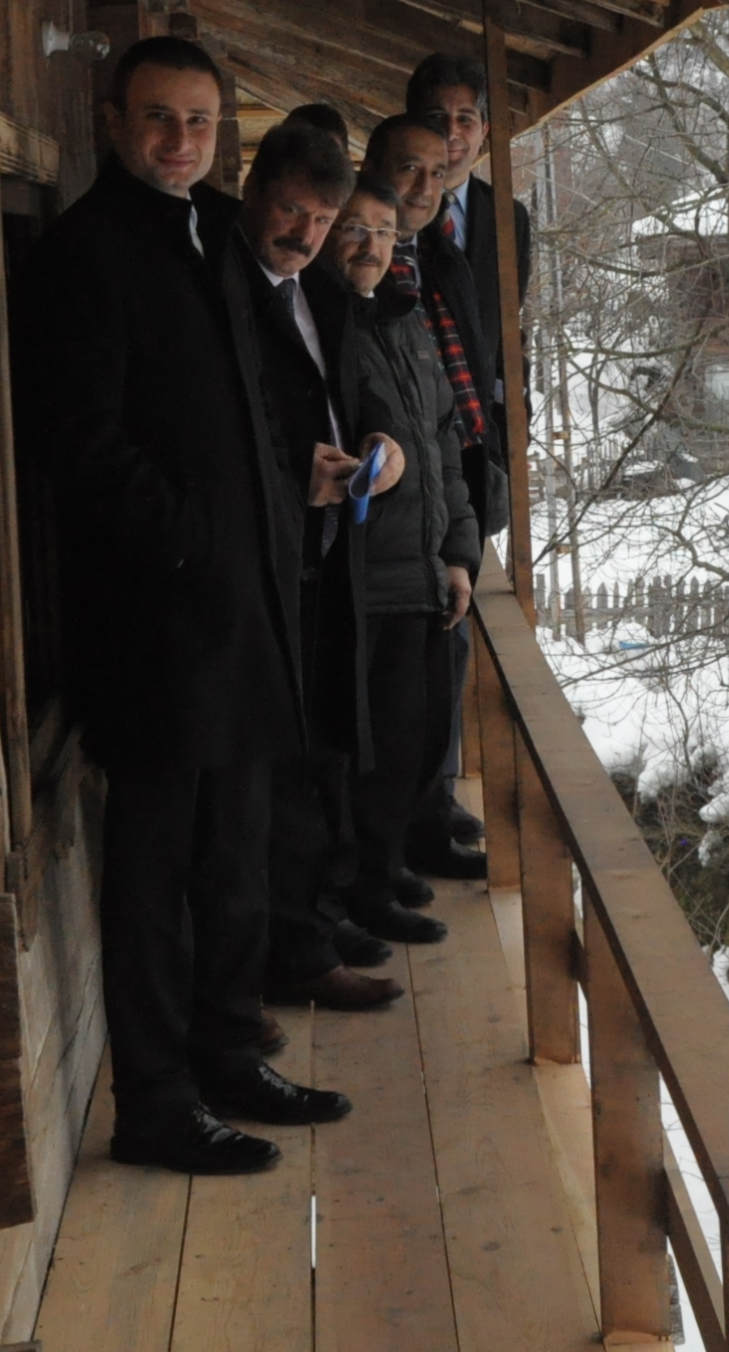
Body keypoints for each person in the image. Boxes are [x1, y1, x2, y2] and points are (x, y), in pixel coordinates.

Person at [27, 38, 351, 1177]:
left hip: (244, 607)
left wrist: (281, 484)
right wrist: (198, 539)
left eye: (201, 121)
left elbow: (246, 402)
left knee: (234, 853)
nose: (179, 141)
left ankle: (227, 1052)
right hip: (157, 624)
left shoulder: (214, 233)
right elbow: (86, 445)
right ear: (115, 120)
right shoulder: (86, 251)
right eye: (159, 119)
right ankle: (157, 1104)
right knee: (155, 873)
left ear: (226, 131)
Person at [225, 114, 407, 1012]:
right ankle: (289, 953)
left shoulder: (322, 295)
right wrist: (291, 478)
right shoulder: (224, 290)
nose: (304, 235)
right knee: (282, 776)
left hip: (330, 555)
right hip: (259, 565)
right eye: (291, 211)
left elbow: (361, 394)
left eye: (323, 221)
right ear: (255, 193)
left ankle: (313, 921)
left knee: (327, 756)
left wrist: (384, 444)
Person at [324, 164, 478, 945]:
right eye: (354, 227)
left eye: (383, 232)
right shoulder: (325, 325)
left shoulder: (407, 322)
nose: (370, 246)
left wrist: (456, 555)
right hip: (358, 577)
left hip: (418, 570)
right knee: (369, 748)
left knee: (412, 735)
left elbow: (445, 446)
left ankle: (382, 870)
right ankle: (361, 885)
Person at [398, 54, 535, 878]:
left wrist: (504, 450)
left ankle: (439, 787)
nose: (452, 136)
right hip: (404, 454)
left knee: (456, 629)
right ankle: (413, 801)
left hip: (474, 460)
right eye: (437, 118)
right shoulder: (383, 211)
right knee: (417, 631)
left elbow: (506, 347)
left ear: (486, 132)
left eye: (466, 120)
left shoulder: (503, 218)